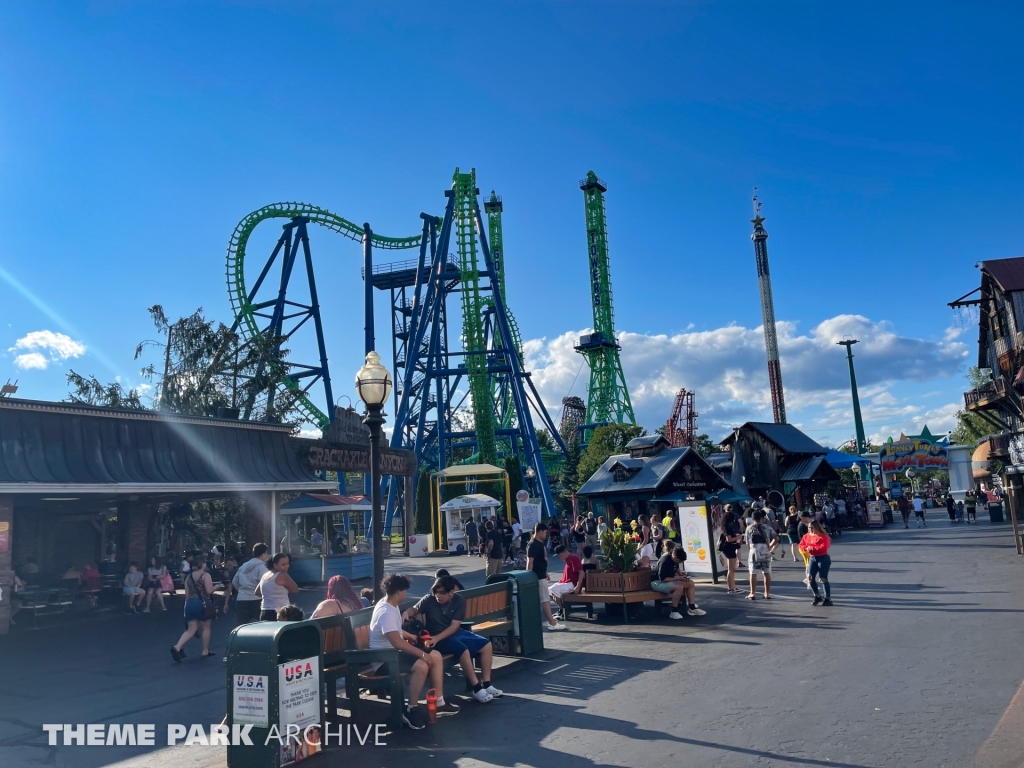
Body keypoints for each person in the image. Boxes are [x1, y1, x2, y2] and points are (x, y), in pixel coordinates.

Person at [370, 573, 453, 729]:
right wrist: (421, 654)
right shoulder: (386, 611)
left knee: (435, 655)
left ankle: (439, 701)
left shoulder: (391, 604)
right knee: (422, 665)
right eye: (405, 591)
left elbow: (394, 633)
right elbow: (396, 642)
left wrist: (409, 635)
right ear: (400, 592)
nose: (406, 594)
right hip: (383, 659)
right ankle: (410, 709)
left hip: (393, 654)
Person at [404, 575, 502, 704]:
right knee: (463, 650)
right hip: (434, 636)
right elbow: (415, 609)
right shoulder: (429, 599)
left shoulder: (459, 601)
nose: (438, 595)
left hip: (451, 633)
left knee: (486, 645)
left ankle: (487, 684)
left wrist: (438, 638)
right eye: (436, 592)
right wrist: (405, 613)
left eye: (442, 593)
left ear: (451, 592)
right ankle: (476, 688)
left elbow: (454, 626)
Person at [171, 556, 215, 661]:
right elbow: (209, 591)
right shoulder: (205, 575)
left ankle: (177, 647)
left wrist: (186, 606)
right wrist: (216, 587)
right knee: (206, 627)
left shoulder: (188, 577)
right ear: (203, 564)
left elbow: (187, 594)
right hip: (202, 603)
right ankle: (205, 651)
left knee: (191, 629)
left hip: (190, 603)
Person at [526, 522, 566, 631]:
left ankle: (550, 622)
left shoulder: (539, 543)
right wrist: (528, 576)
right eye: (544, 532)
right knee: (545, 600)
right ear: (539, 531)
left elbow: (540, 561)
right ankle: (552, 623)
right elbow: (530, 561)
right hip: (537, 576)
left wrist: (545, 572)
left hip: (540, 575)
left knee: (543, 599)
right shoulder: (533, 544)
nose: (546, 535)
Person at [652, 546, 705, 619]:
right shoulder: (664, 561)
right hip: (657, 582)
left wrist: (682, 575)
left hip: (667, 580)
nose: (680, 563)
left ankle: (692, 608)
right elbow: (663, 579)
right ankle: (674, 611)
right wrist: (678, 578)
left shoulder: (675, 560)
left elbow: (676, 567)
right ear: (674, 557)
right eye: (679, 561)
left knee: (690, 583)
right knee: (678, 587)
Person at [225, 543, 270, 626]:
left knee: (241, 626)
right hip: (257, 599)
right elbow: (265, 583)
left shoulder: (243, 566)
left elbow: (235, 581)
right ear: (263, 554)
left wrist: (242, 590)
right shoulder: (262, 567)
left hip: (242, 599)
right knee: (262, 625)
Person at [744, 510, 778, 600]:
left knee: (753, 573)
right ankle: (767, 593)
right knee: (766, 573)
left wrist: (751, 550)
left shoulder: (749, 528)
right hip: (765, 551)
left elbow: (748, 543)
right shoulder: (767, 527)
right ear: (761, 518)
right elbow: (776, 538)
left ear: (752, 518)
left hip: (754, 551)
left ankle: (752, 593)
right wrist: (770, 545)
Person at [256, 553, 299, 621]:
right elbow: (295, 589)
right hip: (279, 613)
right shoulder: (282, 574)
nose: (287, 566)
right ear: (275, 565)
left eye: (287, 564)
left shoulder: (265, 575)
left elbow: (257, 591)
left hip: (264, 611)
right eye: (283, 564)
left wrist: (270, 597)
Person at [799, 520, 833, 606]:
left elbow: (823, 547)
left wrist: (811, 548)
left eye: (812, 528)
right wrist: (806, 548)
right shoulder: (806, 536)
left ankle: (827, 599)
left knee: (823, 578)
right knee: (810, 577)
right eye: (809, 528)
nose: (810, 529)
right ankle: (817, 595)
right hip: (812, 558)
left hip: (823, 558)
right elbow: (801, 545)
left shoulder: (823, 537)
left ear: (817, 527)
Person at [548, 545, 583, 618]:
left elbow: (581, 572)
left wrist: (578, 586)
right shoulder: (568, 559)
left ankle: (562, 610)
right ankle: (561, 609)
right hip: (566, 583)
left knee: (553, 589)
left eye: (559, 556)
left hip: (572, 584)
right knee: (548, 590)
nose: (559, 558)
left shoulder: (573, 558)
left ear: (561, 554)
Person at [719, 508, 743, 594]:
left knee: (732, 569)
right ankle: (731, 588)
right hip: (729, 548)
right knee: (730, 569)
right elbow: (728, 539)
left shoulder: (726, 527)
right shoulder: (727, 528)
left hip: (730, 548)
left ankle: (733, 586)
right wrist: (738, 537)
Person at [798, 512, 813, 589]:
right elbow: (804, 538)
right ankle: (809, 582)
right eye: (808, 518)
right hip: (804, 548)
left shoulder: (803, 525)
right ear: (803, 517)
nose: (809, 519)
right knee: (808, 565)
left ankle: (808, 579)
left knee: (808, 565)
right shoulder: (802, 526)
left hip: (804, 547)